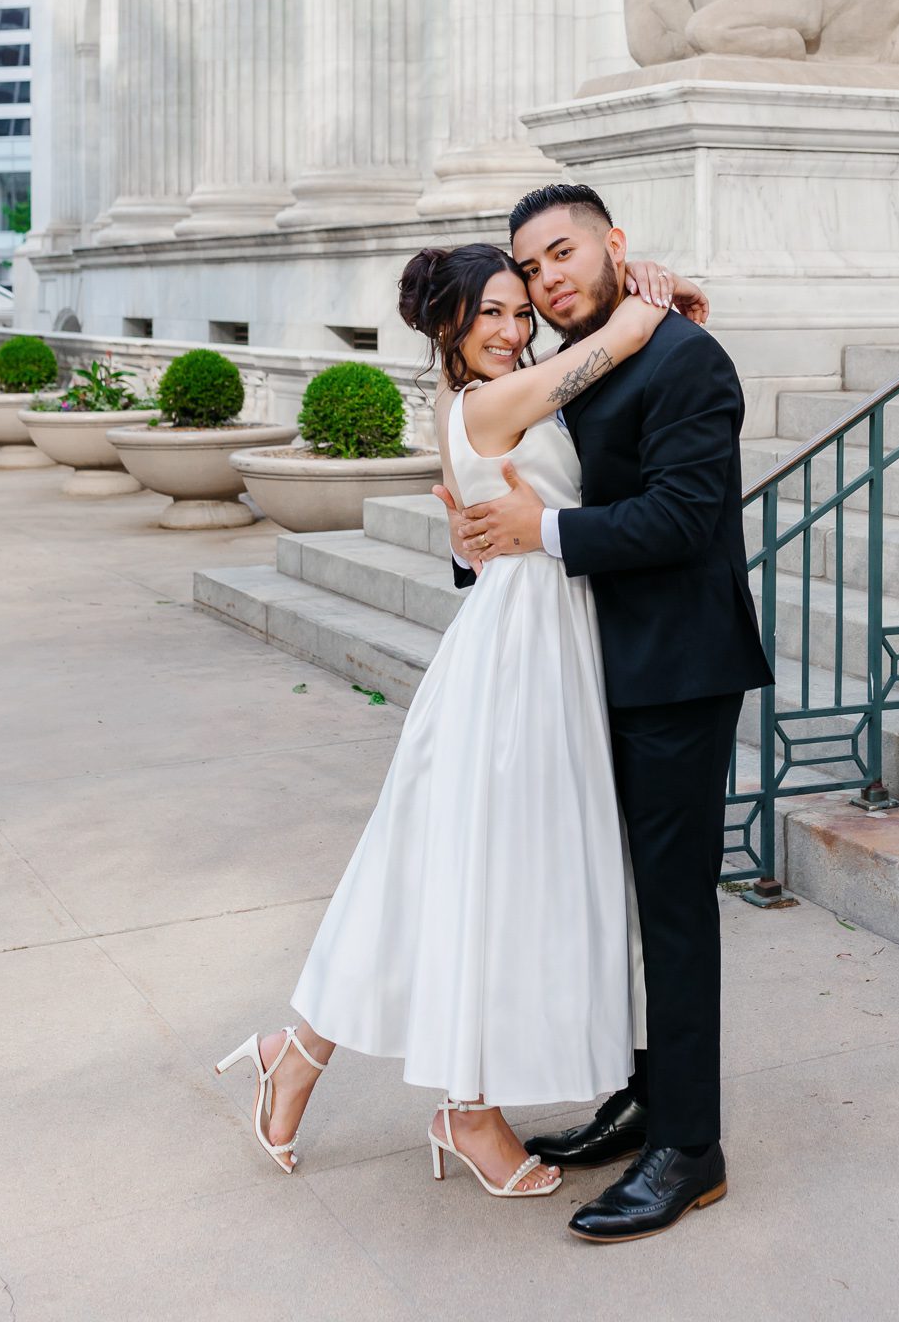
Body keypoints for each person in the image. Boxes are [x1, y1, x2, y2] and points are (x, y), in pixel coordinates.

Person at [214, 240, 700, 1201]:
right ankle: (465, 1109)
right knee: (489, 875)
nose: (514, 330)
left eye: (520, 313)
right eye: (492, 314)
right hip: (518, 657)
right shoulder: (486, 401)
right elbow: (606, 352)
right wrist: (647, 304)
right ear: (448, 325)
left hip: (535, 636)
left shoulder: (492, 392)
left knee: (440, 873)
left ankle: (303, 1052)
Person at [444, 185, 773, 1243]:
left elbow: (682, 515)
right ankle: (645, 1095)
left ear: (613, 246)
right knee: (616, 902)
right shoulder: (573, 365)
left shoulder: (686, 359)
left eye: (562, 252)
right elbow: (515, 485)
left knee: (672, 908)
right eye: (530, 267)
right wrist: (489, 539)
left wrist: (545, 529)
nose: (546, 279)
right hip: (586, 669)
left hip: (674, 669)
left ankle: (692, 1144)